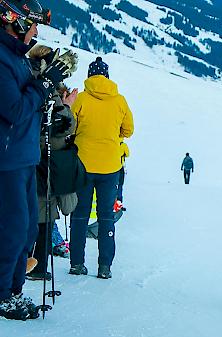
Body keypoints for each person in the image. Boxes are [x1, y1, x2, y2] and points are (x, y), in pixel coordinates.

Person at [0, 0, 73, 320]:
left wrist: (46, 79)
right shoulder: (2, 60)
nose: (35, 33)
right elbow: (14, 109)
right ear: (14, 23)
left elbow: (28, 101)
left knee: (28, 228)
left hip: (23, 155)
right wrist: (45, 84)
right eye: (31, 26)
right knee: (14, 229)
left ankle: (13, 291)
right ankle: (4, 295)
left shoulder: (15, 58)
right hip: (7, 160)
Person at [69, 56, 134, 279]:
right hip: (110, 166)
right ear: (106, 76)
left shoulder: (81, 99)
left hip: (83, 164)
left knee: (80, 214)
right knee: (106, 215)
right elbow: (129, 130)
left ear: (89, 75)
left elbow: (70, 127)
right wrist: (113, 136)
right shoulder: (120, 100)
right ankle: (104, 267)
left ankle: (76, 263)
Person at [26, 45, 79, 281]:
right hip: (46, 160)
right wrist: (67, 106)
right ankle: (35, 267)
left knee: (26, 217)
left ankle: (23, 264)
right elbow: (64, 125)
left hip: (26, 158)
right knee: (44, 218)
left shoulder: (25, 80)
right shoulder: (47, 89)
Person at [116, 139, 129, 206]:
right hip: (120, 167)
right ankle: (119, 203)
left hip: (110, 168)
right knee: (120, 185)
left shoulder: (111, 143)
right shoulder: (123, 145)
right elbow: (127, 154)